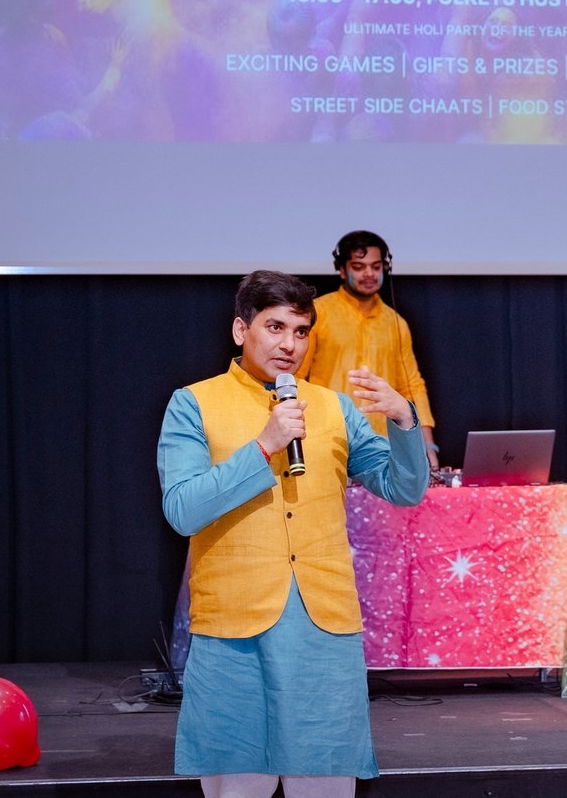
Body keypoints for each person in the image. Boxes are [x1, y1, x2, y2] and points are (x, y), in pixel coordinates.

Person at [157, 270, 429, 798]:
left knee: (325, 784)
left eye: (301, 331)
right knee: (238, 786)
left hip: (321, 627)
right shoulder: (193, 403)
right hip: (234, 630)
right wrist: (264, 446)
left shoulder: (334, 407)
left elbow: (404, 488)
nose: (290, 345)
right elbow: (183, 510)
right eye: (275, 327)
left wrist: (403, 419)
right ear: (241, 330)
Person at [299, 231, 439, 468]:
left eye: (376, 266)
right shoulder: (317, 313)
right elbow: (295, 377)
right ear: (342, 270)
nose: (369, 274)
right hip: (325, 441)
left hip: (382, 447)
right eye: (358, 267)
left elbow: (411, 387)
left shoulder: (395, 323)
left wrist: (427, 447)